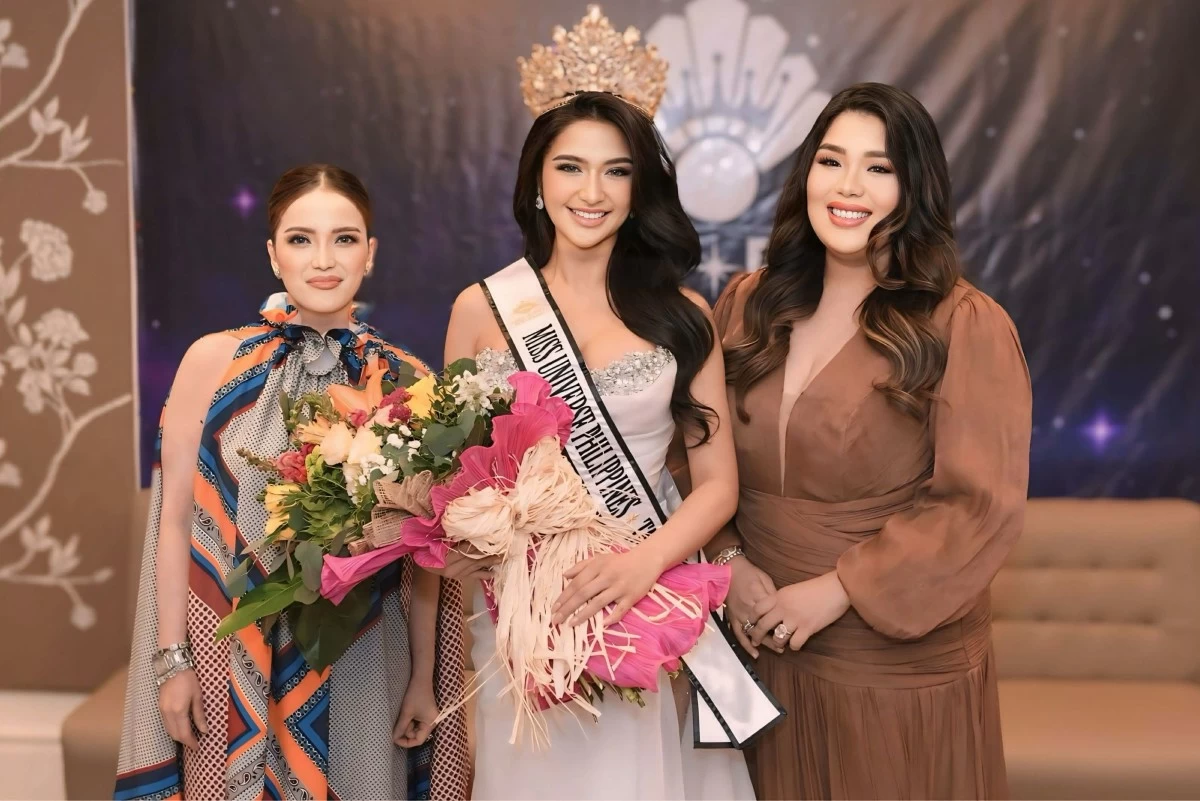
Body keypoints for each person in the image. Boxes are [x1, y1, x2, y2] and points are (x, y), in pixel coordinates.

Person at [426, 8, 757, 800]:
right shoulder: (483, 309)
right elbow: (453, 477)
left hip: (641, 595)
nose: (592, 190)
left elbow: (718, 484)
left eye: (616, 171)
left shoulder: (682, 314)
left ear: (639, 188)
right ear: (538, 181)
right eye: (570, 167)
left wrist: (644, 562)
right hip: (519, 618)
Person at [707, 82, 1033, 799]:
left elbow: (976, 507)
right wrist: (726, 560)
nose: (849, 186)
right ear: (806, 176)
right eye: (831, 161)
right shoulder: (747, 301)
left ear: (914, 187)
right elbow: (696, 448)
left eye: (879, 168)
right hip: (754, 646)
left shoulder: (964, 323)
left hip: (886, 663)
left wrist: (837, 590)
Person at [115, 164, 469, 800]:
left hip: (367, 657)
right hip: (233, 654)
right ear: (273, 254)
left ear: (371, 252)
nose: (324, 259)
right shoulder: (212, 361)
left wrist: (423, 678)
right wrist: (171, 662)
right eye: (302, 239)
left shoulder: (408, 381)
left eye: (345, 238)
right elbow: (174, 525)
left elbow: (426, 552)